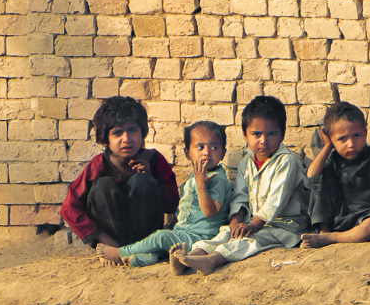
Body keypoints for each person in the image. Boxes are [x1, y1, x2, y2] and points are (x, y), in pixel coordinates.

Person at [173, 95, 307, 276]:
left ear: (282, 134)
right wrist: (236, 222)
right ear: (245, 135)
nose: (263, 140)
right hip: (252, 222)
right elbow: (241, 197)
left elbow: (276, 200)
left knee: (249, 241)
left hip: (283, 226)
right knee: (225, 234)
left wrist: (253, 224)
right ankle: (191, 257)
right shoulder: (246, 163)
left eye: (272, 134)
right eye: (256, 134)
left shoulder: (286, 161)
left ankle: (212, 260)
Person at [59, 96, 179, 262]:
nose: (126, 139)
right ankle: (113, 253)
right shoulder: (98, 165)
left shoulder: (155, 161)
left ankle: (139, 251)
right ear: (105, 139)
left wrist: (151, 177)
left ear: (142, 132)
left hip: (144, 242)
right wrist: (101, 237)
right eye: (117, 133)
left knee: (142, 182)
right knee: (103, 185)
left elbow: (172, 204)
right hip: (112, 242)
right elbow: (69, 208)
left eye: (132, 130)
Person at [111, 120, 232, 268]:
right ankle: (141, 260)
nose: (207, 152)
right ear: (187, 153)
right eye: (200, 147)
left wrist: (201, 185)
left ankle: (120, 252)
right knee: (159, 243)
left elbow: (209, 211)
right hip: (183, 232)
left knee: (160, 237)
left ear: (223, 153)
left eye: (214, 147)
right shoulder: (195, 175)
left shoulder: (217, 179)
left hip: (200, 237)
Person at [301, 101, 370, 248]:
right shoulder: (332, 161)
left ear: (365, 133)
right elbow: (312, 177)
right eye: (342, 139)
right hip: (341, 218)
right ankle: (324, 232)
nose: (351, 143)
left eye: (357, 136)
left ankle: (331, 238)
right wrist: (327, 147)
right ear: (331, 139)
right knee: (321, 178)